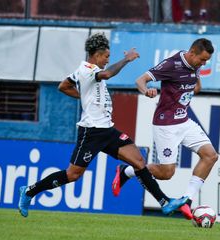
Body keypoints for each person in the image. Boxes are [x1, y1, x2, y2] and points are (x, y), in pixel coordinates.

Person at [17, 33, 188, 218]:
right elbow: (103, 74)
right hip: (91, 132)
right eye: (106, 56)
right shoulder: (86, 70)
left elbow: (64, 86)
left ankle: (165, 202)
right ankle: (29, 191)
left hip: (107, 130)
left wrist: (83, 96)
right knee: (73, 174)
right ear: (96, 55)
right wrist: (126, 60)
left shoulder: (85, 72)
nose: (107, 60)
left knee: (138, 161)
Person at [112, 38, 218, 220]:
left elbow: (196, 87)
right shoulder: (172, 64)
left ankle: (187, 200)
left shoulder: (195, 65)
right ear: (192, 52)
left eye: (206, 61)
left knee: (211, 156)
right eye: (202, 60)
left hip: (184, 121)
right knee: (166, 173)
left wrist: (189, 86)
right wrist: (147, 91)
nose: (204, 64)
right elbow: (140, 80)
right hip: (166, 125)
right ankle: (126, 171)